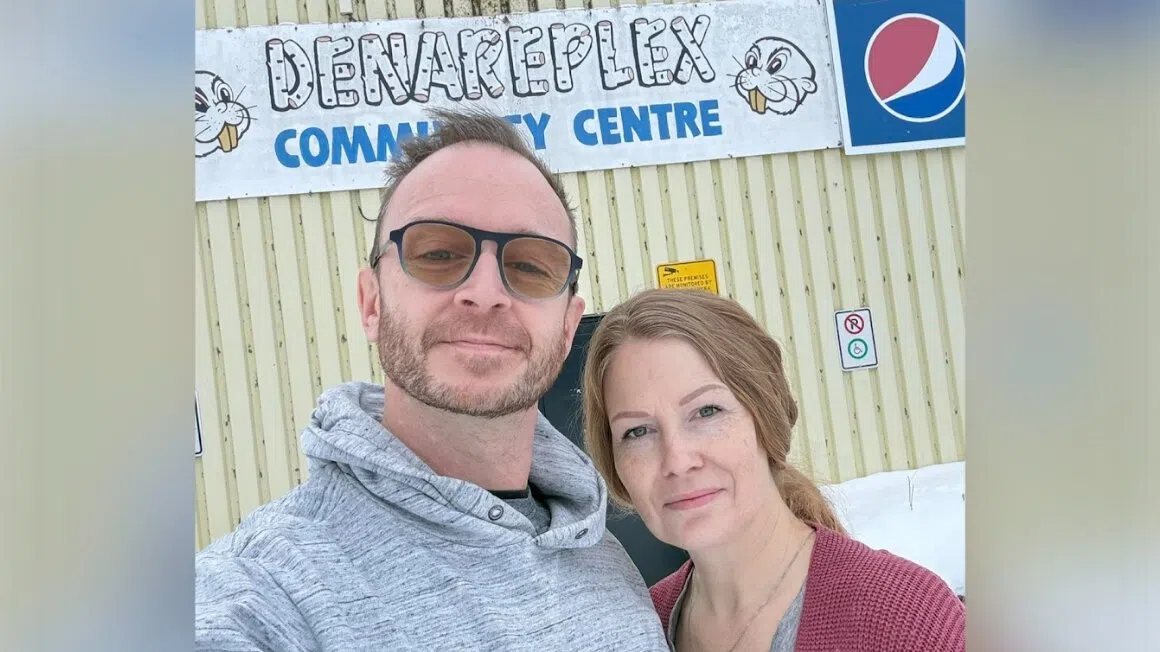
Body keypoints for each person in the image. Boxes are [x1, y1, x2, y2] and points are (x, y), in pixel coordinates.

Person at [194, 108, 670, 651]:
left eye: (531, 265)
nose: (486, 293)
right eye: (438, 254)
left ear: (566, 328)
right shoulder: (264, 594)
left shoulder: (604, 560)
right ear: (371, 304)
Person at [581, 289, 965, 652]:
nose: (677, 461)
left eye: (707, 411)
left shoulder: (905, 617)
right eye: (638, 431)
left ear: (767, 418)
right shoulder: (635, 629)